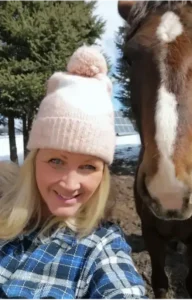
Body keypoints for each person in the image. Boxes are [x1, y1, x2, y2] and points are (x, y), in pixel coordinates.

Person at [0, 45, 148, 299]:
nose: (70, 184)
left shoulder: (101, 248)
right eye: (56, 160)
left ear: (103, 174)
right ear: (36, 159)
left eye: (88, 166)